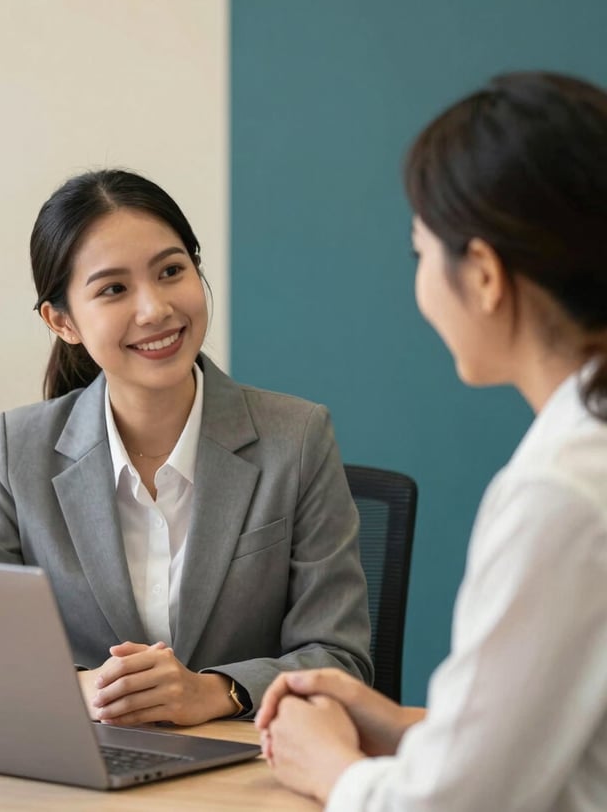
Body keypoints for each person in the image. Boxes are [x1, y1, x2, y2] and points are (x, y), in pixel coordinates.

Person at [256, 71, 607, 811]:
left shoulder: (561, 494)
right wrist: (408, 726)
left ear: (482, 274)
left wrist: (331, 768)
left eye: (421, 253)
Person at [0, 168, 372, 727]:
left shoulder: (296, 438)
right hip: (80, 772)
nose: (155, 310)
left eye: (171, 271)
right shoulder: (19, 448)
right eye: (113, 289)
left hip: (241, 774)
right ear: (62, 321)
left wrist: (218, 692)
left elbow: (339, 658)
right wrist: (81, 688)